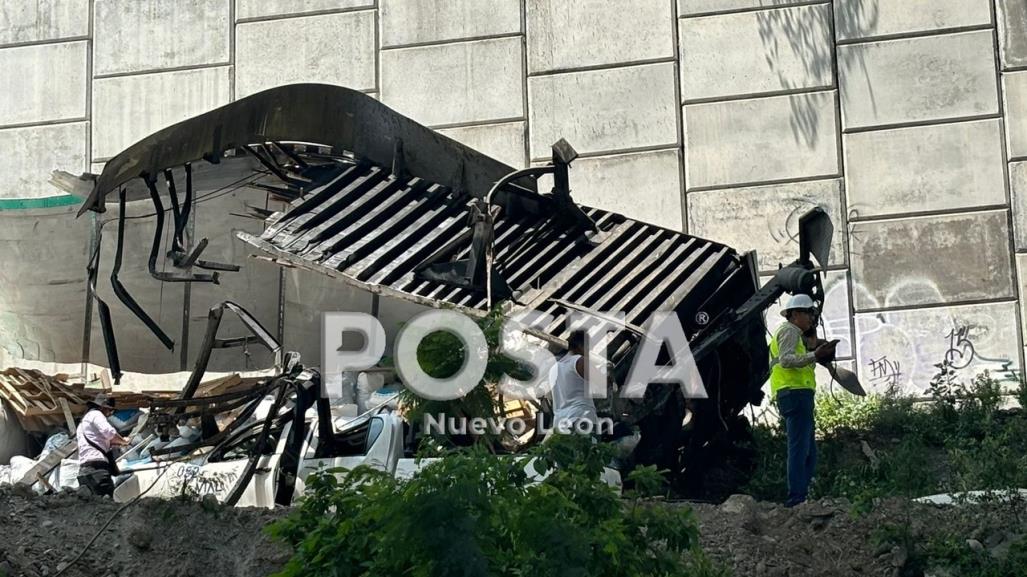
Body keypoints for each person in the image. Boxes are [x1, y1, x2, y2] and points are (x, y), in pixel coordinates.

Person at [770, 294, 836, 507]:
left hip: (798, 394)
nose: (811, 318)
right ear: (795, 313)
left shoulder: (794, 334)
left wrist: (814, 352)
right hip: (794, 394)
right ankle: (797, 498)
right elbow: (787, 360)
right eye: (808, 313)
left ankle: (803, 494)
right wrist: (814, 356)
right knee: (799, 448)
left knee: (807, 448)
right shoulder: (789, 331)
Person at [76, 393, 128, 497]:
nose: (110, 414)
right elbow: (108, 432)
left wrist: (115, 443)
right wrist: (124, 441)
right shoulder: (96, 414)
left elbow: (100, 441)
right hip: (97, 468)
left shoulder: (83, 423)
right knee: (107, 502)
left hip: (84, 470)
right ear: (102, 407)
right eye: (109, 410)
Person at [548, 332, 599, 434]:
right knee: (588, 449)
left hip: (560, 423)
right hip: (581, 417)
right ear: (581, 346)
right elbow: (602, 382)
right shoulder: (580, 361)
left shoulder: (554, 368)